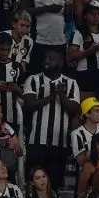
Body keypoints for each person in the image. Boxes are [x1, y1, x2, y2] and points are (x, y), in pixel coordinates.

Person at [22, 49, 81, 190]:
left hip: (60, 143)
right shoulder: (33, 79)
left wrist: (61, 94)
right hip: (36, 141)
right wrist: (51, 96)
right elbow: (29, 105)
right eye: (45, 58)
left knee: (55, 182)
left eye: (51, 59)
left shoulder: (71, 83)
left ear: (60, 63)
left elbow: (75, 109)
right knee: (33, 181)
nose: (46, 62)